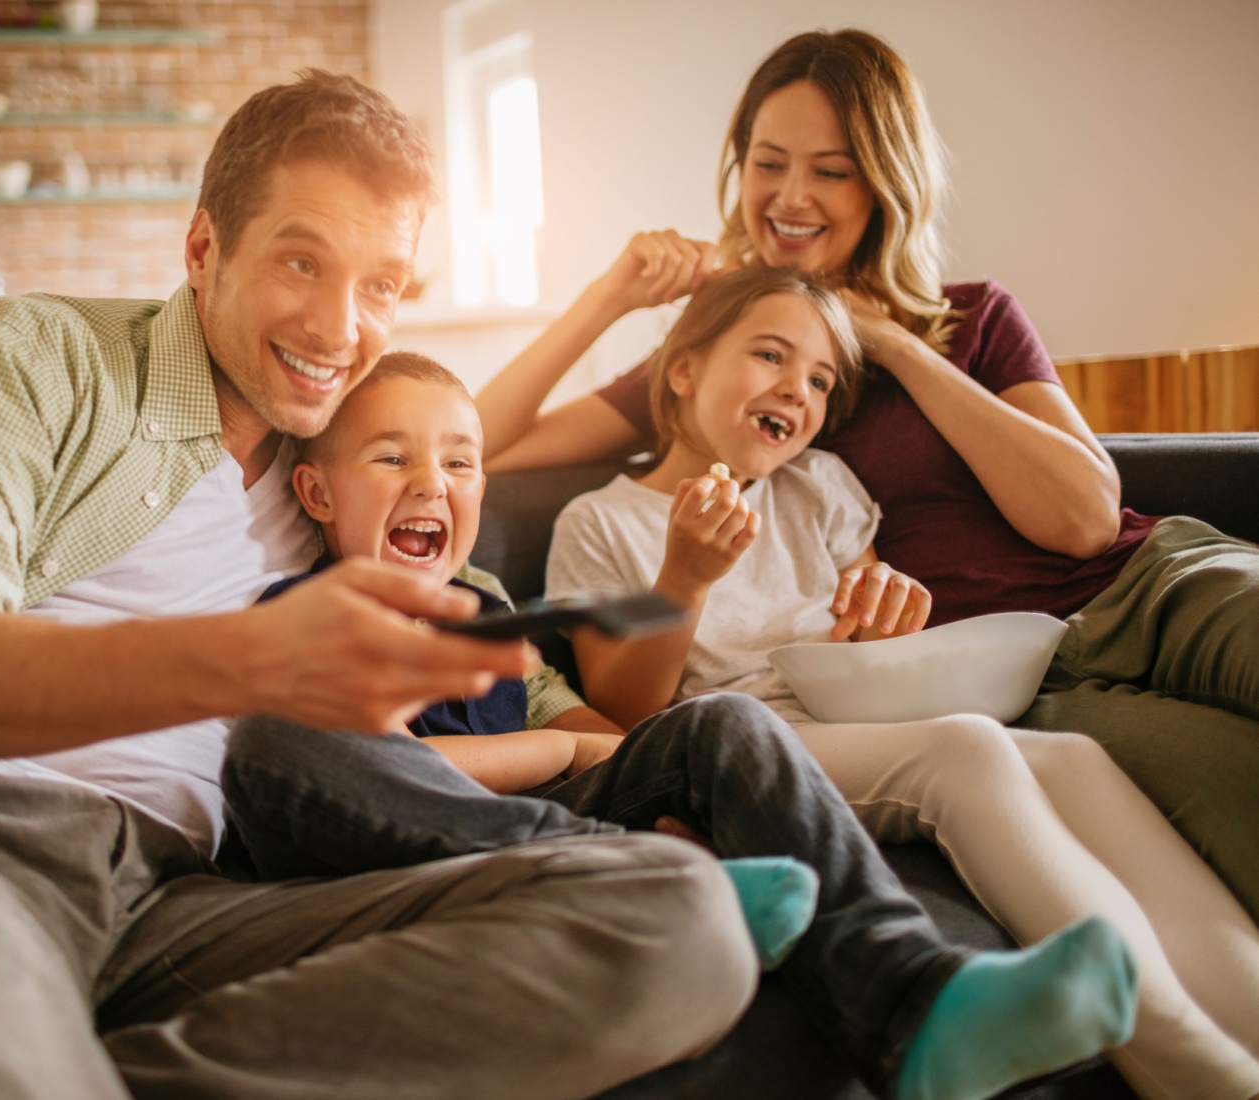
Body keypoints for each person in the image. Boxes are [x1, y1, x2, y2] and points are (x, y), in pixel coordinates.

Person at [0, 72, 777, 1100]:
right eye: (302, 261)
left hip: (164, 894)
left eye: (384, 285)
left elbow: (462, 441)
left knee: (678, 919)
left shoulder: (341, 480)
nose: (339, 327)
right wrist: (259, 659)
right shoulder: (29, 359)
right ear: (204, 249)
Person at [471, 27, 1259, 924]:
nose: (792, 196)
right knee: (1236, 793)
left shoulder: (972, 319)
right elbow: (481, 448)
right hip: (1035, 681)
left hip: (1150, 587)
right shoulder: (730, 371)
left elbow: (1084, 519)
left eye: (833, 170)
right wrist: (609, 295)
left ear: (884, 182)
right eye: (769, 164)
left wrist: (887, 341)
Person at [222, 348, 1142, 1100]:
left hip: (553, 820)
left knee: (719, 723)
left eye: (459, 462)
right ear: (315, 495)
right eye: (392, 459)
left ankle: (918, 1001)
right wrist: (558, 750)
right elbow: (391, 771)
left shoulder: (485, 602)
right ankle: (641, 879)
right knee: (324, 753)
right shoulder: (304, 613)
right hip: (406, 840)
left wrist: (683, 780)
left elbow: (601, 732)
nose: (433, 483)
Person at [542, 265, 1259, 1100]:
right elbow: (626, 709)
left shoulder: (821, 487)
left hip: (845, 714)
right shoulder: (599, 521)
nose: (797, 389)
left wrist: (879, 626)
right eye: (770, 355)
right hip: (744, 745)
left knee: (1072, 758)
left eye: (818, 379)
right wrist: (685, 580)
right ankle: (1197, 1072)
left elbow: (868, 626)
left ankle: (1246, 1018)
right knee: (965, 751)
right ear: (684, 369)